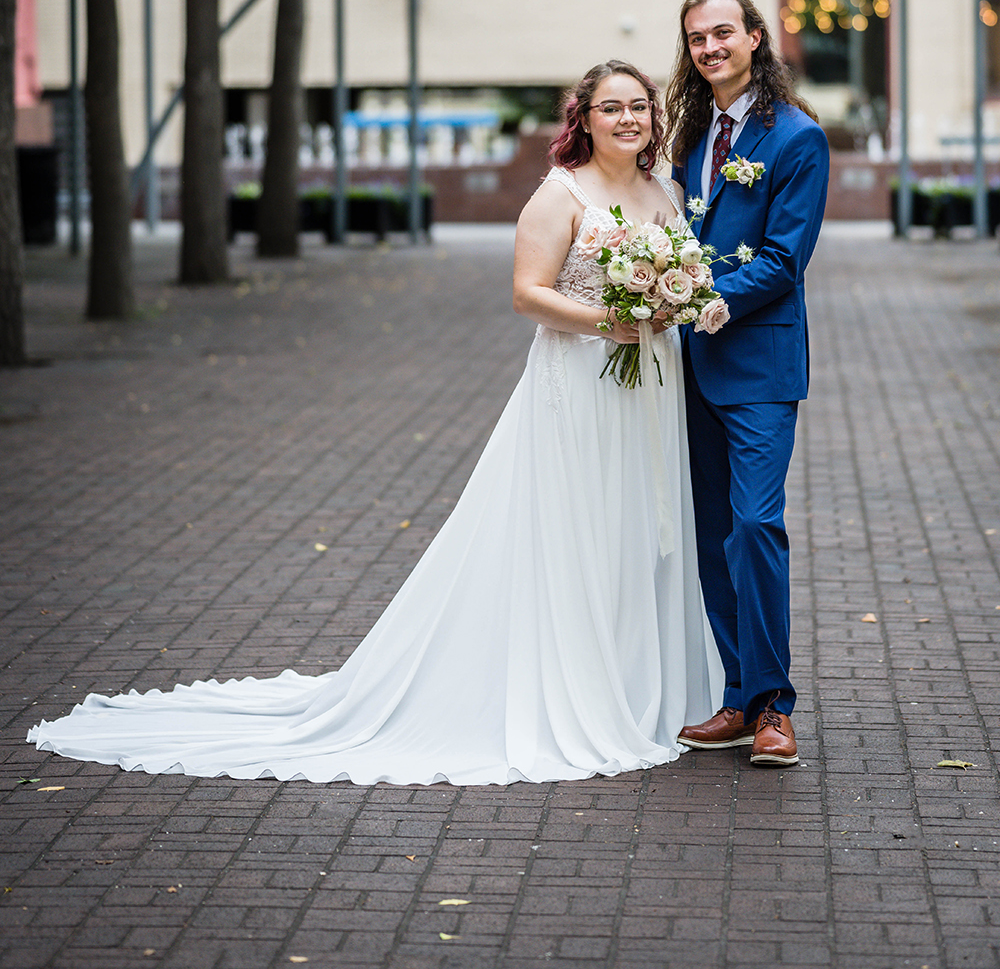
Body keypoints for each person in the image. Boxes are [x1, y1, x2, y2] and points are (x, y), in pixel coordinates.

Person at [28, 59, 721, 786]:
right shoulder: (560, 195)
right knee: (578, 532)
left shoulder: (663, 187)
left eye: (639, 107)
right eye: (612, 108)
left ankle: (647, 688)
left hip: (648, 386)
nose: (629, 120)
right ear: (583, 118)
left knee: (637, 527)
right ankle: (580, 687)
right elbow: (526, 294)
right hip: (579, 383)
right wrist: (608, 320)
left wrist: (668, 305)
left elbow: (682, 273)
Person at [665, 0, 829, 767]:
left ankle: (774, 708)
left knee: (756, 525)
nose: (710, 48)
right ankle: (736, 696)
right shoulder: (693, 137)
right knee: (713, 535)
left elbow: (784, 258)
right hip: (692, 365)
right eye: (698, 39)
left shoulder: (797, 139)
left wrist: (700, 296)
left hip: (760, 364)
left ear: (755, 38)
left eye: (723, 33)